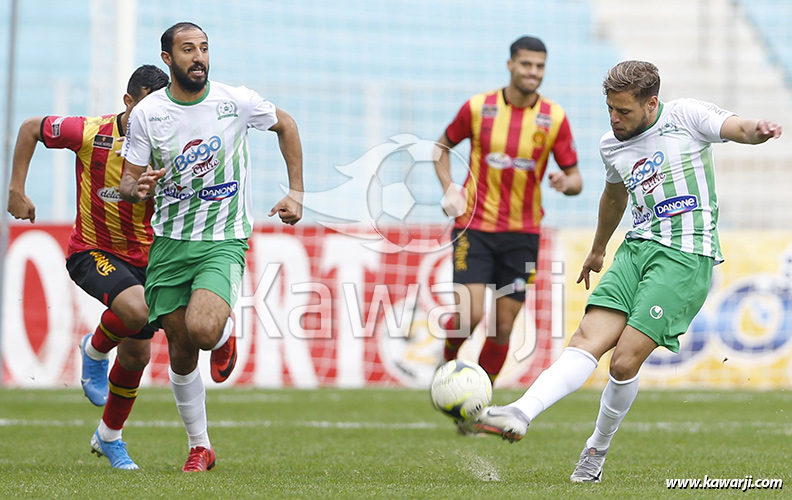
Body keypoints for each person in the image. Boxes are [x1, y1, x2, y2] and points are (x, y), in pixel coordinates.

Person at [473, 60, 782, 482]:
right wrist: (598, 249)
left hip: (686, 255)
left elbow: (739, 129)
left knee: (622, 363)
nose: (615, 120)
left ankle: (595, 450)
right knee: (585, 339)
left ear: (651, 103)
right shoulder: (610, 144)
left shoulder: (685, 116)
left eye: (624, 112)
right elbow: (614, 197)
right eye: (610, 110)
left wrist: (759, 130)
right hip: (635, 250)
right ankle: (520, 413)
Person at [119, 22, 304, 472]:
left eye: (203, 48)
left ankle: (222, 335)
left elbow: (287, 125)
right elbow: (127, 183)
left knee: (202, 329)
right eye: (187, 50)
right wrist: (138, 188)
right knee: (181, 350)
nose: (198, 57)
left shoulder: (234, 101)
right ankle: (200, 446)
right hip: (169, 243)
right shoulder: (149, 114)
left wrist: (296, 191)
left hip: (222, 238)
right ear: (168, 59)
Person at [7, 65, 170, 469]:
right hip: (92, 250)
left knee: (136, 357)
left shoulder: (171, 144)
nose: (153, 120)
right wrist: (16, 190)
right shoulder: (89, 132)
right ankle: (95, 348)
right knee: (137, 311)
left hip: (151, 258)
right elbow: (31, 128)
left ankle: (109, 437)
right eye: (146, 109)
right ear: (128, 102)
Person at [433, 35, 582, 387]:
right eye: (527, 64)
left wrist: (566, 183)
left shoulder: (554, 117)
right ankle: (447, 369)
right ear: (510, 64)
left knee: (502, 327)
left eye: (540, 66)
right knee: (468, 317)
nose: (533, 72)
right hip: (475, 228)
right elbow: (441, 149)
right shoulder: (477, 107)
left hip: (523, 235)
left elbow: (577, 178)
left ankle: (477, 399)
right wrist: (449, 188)